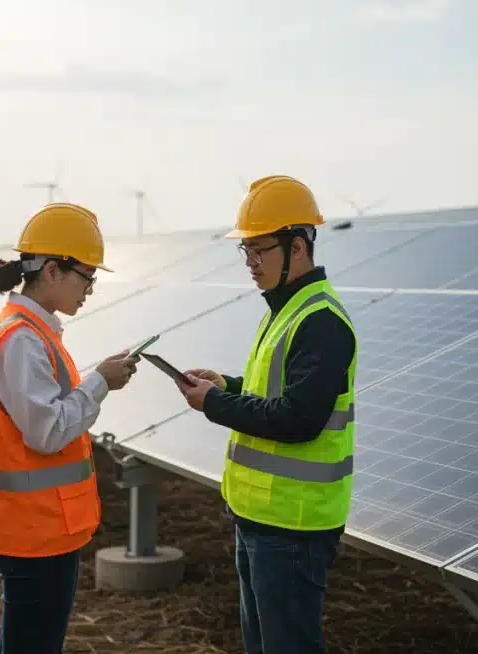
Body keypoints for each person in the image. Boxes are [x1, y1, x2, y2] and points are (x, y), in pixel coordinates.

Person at [174, 175, 358, 654]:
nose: (251, 263)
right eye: (246, 251)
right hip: (262, 519)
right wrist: (227, 385)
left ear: (297, 247)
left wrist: (213, 404)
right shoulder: (285, 309)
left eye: (259, 250)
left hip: (294, 528)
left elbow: (299, 418)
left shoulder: (321, 322)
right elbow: (272, 392)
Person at [0, 202, 139, 654]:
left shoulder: (33, 331)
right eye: (87, 277)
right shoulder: (23, 339)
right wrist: (101, 382)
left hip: (40, 524)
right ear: (51, 271)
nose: (90, 289)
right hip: (33, 529)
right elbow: (46, 433)